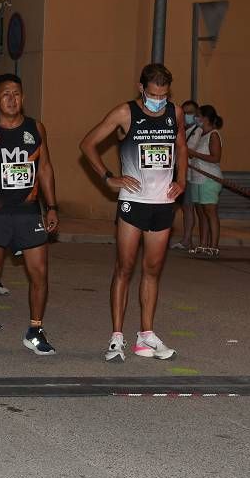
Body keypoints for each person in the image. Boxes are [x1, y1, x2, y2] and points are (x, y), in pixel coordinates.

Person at [79, 63, 186, 363]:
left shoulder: (174, 113)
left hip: (163, 204)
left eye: (164, 96)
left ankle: (146, 336)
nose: (159, 101)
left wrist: (182, 181)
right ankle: (116, 337)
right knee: (124, 268)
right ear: (142, 89)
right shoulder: (125, 113)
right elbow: (87, 144)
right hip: (133, 201)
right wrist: (108, 177)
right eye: (154, 95)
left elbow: (181, 145)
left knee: (152, 270)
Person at [0, 74, 59, 358]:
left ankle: (35, 330)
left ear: (23, 97)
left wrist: (52, 206)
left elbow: (45, 169)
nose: (11, 99)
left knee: (39, 273)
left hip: (29, 212)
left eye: (16, 94)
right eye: (5, 94)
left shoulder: (36, 128)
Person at [187, 104, 224, 258]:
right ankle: (203, 244)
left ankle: (214, 246)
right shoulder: (200, 134)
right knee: (201, 213)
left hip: (209, 178)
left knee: (210, 212)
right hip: (196, 178)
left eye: (198, 115)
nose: (195, 118)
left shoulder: (213, 135)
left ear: (206, 118)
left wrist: (194, 153)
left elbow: (215, 158)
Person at [170, 99, 200, 251]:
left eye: (190, 113)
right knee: (173, 206)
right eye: (185, 112)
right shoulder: (181, 129)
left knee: (187, 208)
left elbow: (190, 150)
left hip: (187, 175)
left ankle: (187, 239)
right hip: (175, 172)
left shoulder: (197, 131)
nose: (187, 115)